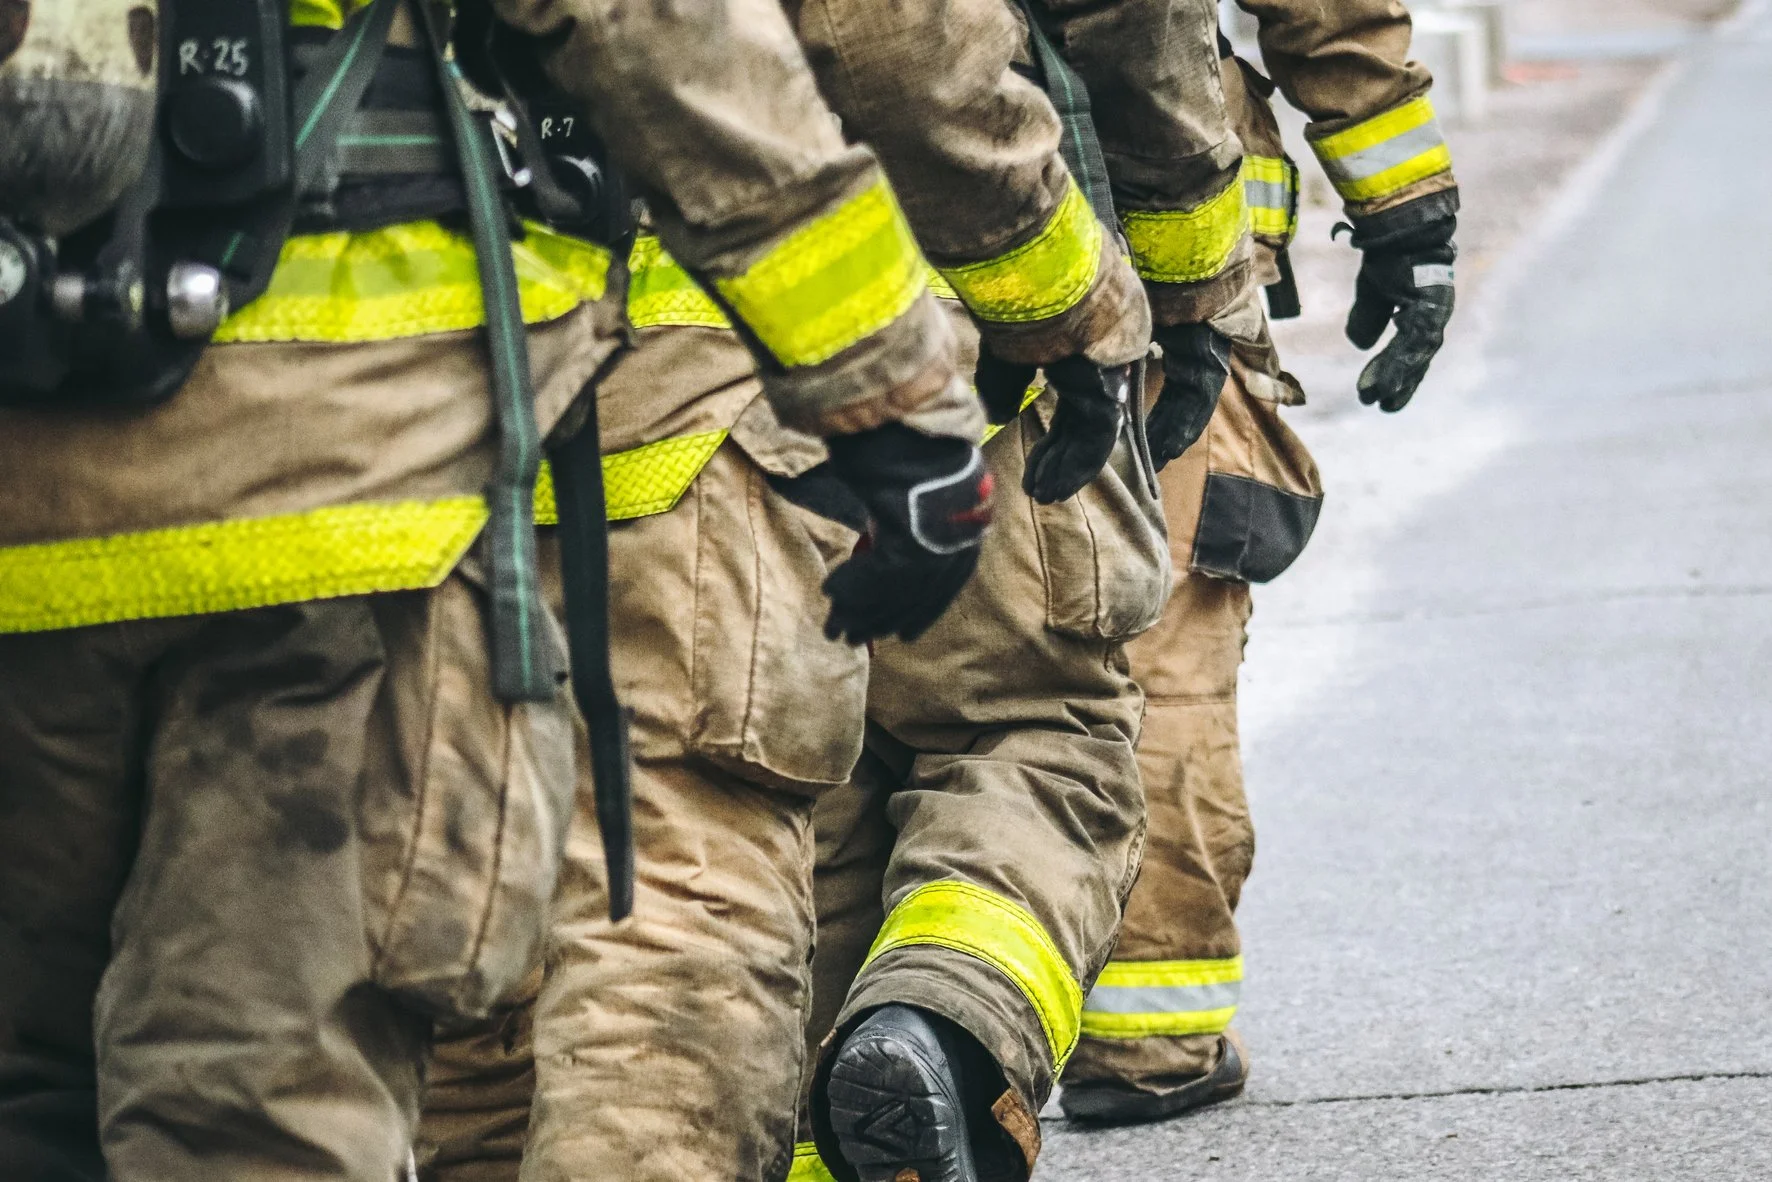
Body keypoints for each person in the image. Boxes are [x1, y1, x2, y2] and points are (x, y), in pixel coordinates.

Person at [0, 0, 989, 1174]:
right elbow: (656, 30)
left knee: (29, 1096)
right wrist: (890, 394)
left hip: (34, 506)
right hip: (333, 500)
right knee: (257, 1100)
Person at [416, 0, 1160, 1176]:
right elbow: (900, 45)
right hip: (711, 369)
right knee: (678, 891)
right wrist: (1072, 305)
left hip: (373, 411)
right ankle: (942, 1025)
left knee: (465, 901)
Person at [1059, 0, 1462, 1123]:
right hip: (1149, 251)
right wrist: (1407, 220)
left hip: (849, 254)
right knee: (1159, 631)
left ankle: (879, 1028)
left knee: (894, 646)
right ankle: (1145, 1039)